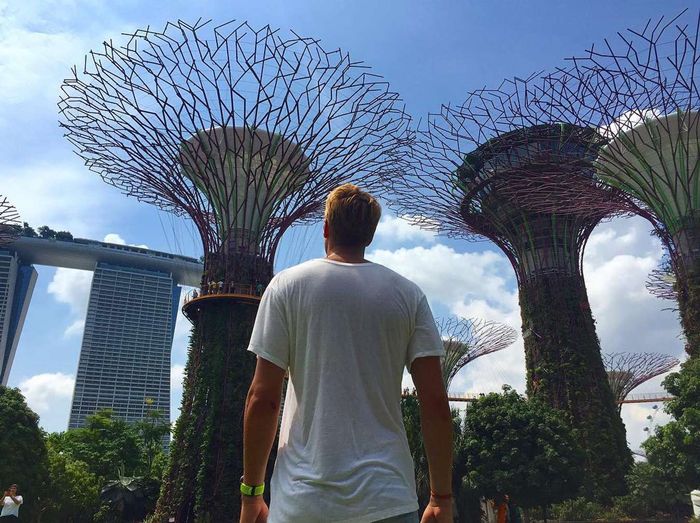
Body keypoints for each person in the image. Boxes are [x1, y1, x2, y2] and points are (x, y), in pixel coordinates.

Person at [240, 183, 454, 523]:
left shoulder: (286, 286)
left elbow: (263, 398)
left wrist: (252, 493)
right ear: (370, 235)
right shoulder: (408, 295)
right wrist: (441, 497)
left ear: (326, 228)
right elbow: (435, 403)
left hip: (302, 501)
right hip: (387, 498)